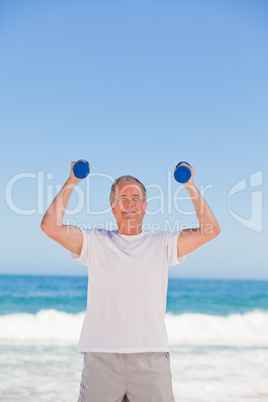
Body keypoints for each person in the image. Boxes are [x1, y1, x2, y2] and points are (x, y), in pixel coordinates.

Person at [41, 161, 220, 402]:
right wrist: (73, 180)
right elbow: (49, 227)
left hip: (151, 357)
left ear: (145, 206)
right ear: (112, 206)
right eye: (123, 197)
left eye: (136, 197)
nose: (130, 202)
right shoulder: (95, 242)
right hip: (102, 356)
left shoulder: (163, 243)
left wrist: (189, 184)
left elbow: (210, 230)